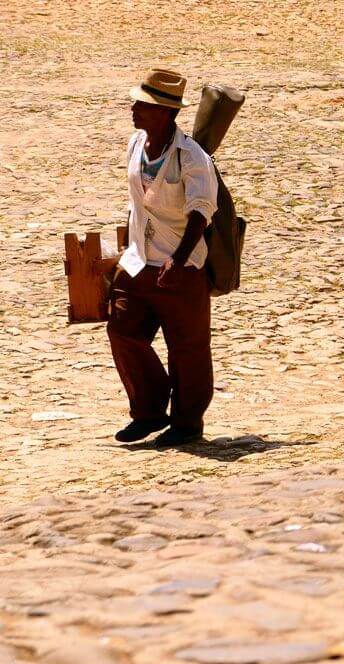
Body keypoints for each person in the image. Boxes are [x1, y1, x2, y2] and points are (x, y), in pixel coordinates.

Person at [99, 67, 219, 447]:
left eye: (144, 105)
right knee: (122, 331)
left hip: (181, 268)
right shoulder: (136, 144)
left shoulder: (192, 156)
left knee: (187, 347)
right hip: (137, 262)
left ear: (166, 112)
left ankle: (187, 423)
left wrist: (179, 259)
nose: (134, 109)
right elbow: (138, 202)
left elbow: (202, 210)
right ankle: (149, 411)